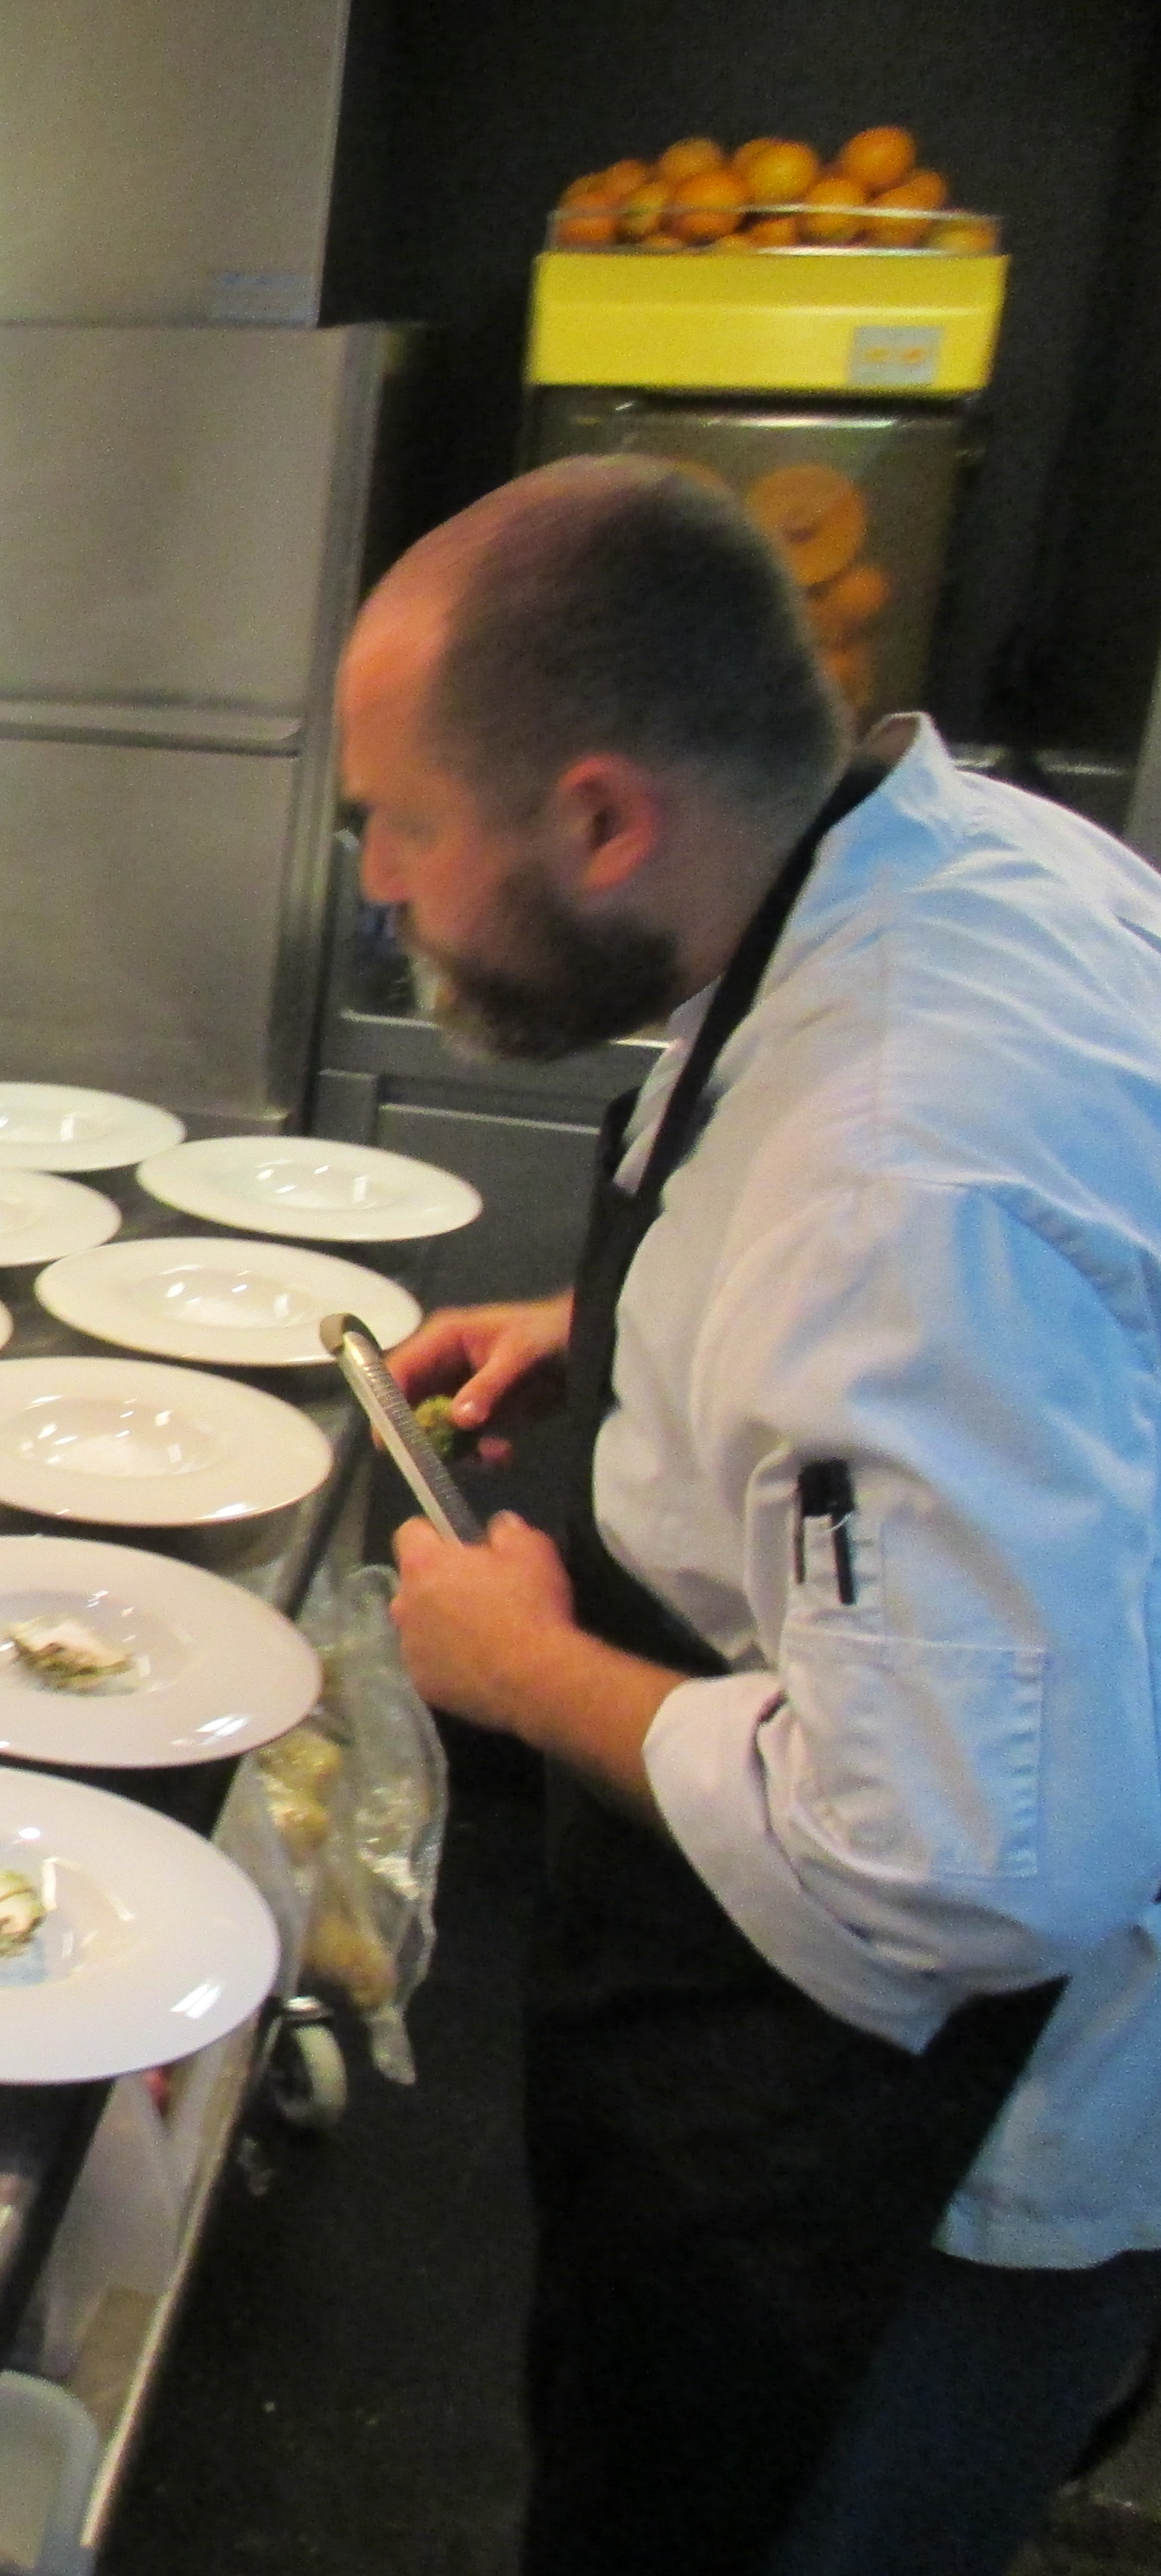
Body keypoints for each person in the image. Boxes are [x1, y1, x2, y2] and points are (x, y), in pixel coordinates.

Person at [341, 455, 1161, 2576]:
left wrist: (527, 1675)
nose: (380, 892)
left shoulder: (890, 1181)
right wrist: (645, 1327)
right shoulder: (954, 858)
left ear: (605, 819)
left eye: (400, 827)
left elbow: (953, 1862)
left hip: (918, 2172)